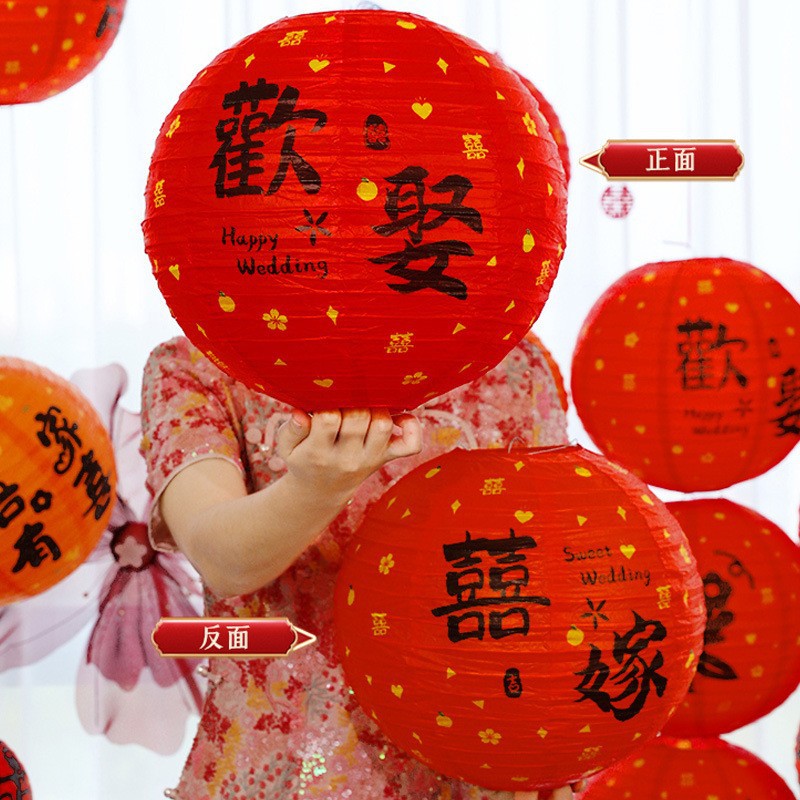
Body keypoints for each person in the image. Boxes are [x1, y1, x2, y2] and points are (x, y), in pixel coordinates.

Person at [141, 334, 584, 800]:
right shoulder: (204, 359)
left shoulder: (507, 356)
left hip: (479, 766)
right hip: (279, 770)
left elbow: (550, 565)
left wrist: (556, 739)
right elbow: (221, 560)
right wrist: (316, 489)